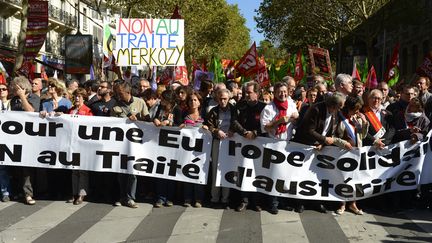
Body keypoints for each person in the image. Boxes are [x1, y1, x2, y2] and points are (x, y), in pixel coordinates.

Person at [293, 93, 345, 213]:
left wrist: (323, 143)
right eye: (338, 107)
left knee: (317, 176)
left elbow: (329, 130)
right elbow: (308, 130)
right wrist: (323, 139)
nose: (339, 110)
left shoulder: (335, 112)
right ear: (332, 105)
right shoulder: (316, 109)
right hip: (305, 144)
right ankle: (300, 203)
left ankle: (316, 202)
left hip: (319, 146)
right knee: (303, 176)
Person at [260, 80, 298, 214]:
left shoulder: (292, 104)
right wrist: (279, 121)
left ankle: (283, 202)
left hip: (287, 145)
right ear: (275, 93)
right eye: (279, 92)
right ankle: (273, 203)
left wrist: (296, 117)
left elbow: (297, 120)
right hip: (273, 144)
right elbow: (264, 127)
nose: (282, 94)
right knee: (274, 175)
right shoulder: (269, 108)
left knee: (285, 175)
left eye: (284, 92)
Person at [111, 81, 150, 208]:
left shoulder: (140, 102)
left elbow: (148, 121)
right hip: (120, 144)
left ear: (128, 92)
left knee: (132, 171)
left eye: (120, 93)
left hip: (135, 144)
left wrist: (138, 120)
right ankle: (121, 196)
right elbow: (110, 123)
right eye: (116, 93)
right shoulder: (116, 105)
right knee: (121, 171)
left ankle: (130, 197)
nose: (118, 95)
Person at [204, 88, 245, 209]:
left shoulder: (234, 110)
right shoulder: (213, 111)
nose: (222, 101)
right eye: (220, 99)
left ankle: (225, 198)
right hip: (218, 142)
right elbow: (209, 125)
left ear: (229, 99)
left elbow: (239, 123)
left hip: (231, 142)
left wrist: (233, 130)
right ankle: (215, 197)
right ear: (217, 99)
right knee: (215, 169)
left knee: (228, 169)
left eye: (225, 99)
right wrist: (217, 131)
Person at [332, 96, 369, 215]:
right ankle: (342, 203)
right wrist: (343, 143)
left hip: (356, 151)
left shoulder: (356, 118)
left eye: (359, 109)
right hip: (342, 152)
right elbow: (333, 136)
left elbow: (362, 136)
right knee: (343, 178)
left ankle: (353, 204)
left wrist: (365, 123)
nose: (358, 111)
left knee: (356, 178)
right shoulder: (339, 118)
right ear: (349, 107)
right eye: (356, 109)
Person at [235, 81, 267, 212]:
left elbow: (267, 124)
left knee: (257, 172)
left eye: (249, 92)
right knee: (244, 171)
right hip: (243, 142)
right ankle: (244, 200)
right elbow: (234, 121)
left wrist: (255, 133)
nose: (246, 95)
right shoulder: (240, 105)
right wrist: (244, 132)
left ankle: (256, 201)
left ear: (257, 93)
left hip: (259, 144)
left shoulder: (264, 107)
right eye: (245, 93)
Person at [9, 76, 41, 205]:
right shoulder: (13, 100)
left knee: (27, 168)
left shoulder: (34, 98)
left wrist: (23, 96)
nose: (14, 91)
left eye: (16, 88)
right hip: (16, 138)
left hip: (30, 139)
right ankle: (19, 192)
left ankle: (28, 193)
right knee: (17, 167)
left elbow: (31, 111)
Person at [179, 91, 208, 208]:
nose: (193, 102)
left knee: (199, 172)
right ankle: (187, 197)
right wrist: (179, 126)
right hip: (186, 149)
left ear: (199, 102)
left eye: (195, 100)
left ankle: (199, 199)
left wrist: (208, 128)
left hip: (200, 150)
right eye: (190, 100)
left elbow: (211, 128)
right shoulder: (183, 115)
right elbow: (176, 127)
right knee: (187, 171)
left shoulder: (204, 116)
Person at [67, 88, 93, 205]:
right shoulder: (70, 110)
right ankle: (74, 193)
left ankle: (82, 194)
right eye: (76, 96)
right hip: (72, 143)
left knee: (82, 170)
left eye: (79, 96)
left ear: (84, 98)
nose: (77, 98)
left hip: (83, 144)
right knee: (73, 170)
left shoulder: (88, 110)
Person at [153, 90, 177, 207]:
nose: (161, 101)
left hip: (173, 144)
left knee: (171, 171)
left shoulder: (177, 109)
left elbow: (181, 124)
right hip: (160, 143)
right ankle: (160, 197)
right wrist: (156, 120)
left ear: (169, 100)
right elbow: (155, 118)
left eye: (163, 99)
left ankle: (170, 197)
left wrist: (170, 123)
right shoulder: (160, 108)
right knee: (160, 170)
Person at [0, 81, 10, 202]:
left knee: (6, 168)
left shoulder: (14, 103)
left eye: (3, 89)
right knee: (1, 168)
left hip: (11, 140)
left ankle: (7, 190)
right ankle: (5, 191)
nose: (1, 91)